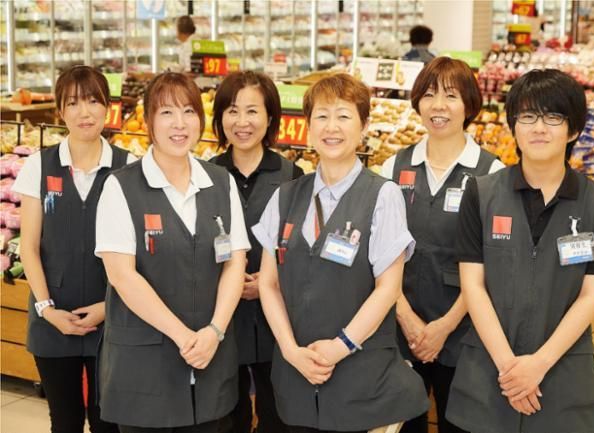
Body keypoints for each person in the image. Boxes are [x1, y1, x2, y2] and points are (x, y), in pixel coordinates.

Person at [252, 73, 428, 433]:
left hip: (363, 382)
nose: (331, 127)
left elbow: (388, 289)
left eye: (344, 116)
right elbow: (268, 284)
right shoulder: (284, 197)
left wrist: (341, 346)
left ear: (363, 126)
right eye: (321, 116)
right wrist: (289, 350)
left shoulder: (382, 196)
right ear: (308, 127)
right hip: (297, 378)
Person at [446, 69, 594, 433]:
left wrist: (538, 364)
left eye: (553, 117)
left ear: (573, 130)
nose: (539, 128)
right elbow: (473, 286)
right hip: (489, 377)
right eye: (527, 116)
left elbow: (592, 295)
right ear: (513, 125)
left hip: (562, 379)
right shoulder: (481, 194)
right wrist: (510, 369)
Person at [95, 72, 250, 433]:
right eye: (166, 112)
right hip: (145, 367)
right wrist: (184, 337)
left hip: (211, 359)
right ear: (149, 121)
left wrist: (214, 331)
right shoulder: (121, 186)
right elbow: (122, 275)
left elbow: (235, 262)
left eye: (189, 111)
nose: (180, 124)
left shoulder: (220, 182)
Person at [381, 57, 504, 433]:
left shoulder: (492, 173)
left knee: (460, 424)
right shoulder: (393, 167)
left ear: (469, 104)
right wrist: (407, 319)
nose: (438, 106)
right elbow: (380, 255)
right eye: (429, 94)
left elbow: (493, 264)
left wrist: (443, 327)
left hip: (465, 332)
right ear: (417, 101)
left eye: (451, 95)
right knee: (403, 425)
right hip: (399, 328)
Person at [12, 65, 134, 433]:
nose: (85, 112)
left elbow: (137, 255)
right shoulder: (39, 166)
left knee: (108, 422)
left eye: (94, 101)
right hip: (52, 320)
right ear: (60, 111)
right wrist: (46, 309)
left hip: (113, 320)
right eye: (74, 103)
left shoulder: (128, 168)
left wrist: (107, 307)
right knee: (63, 421)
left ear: (108, 107)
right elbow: (29, 247)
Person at [209, 71, 303, 433]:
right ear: (220, 117)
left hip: (276, 319)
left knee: (277, 414)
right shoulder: (206, 176)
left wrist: (268, 279)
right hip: (221, 319)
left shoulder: (292, 176)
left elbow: (302, 247)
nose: (242, 122)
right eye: (232, 111)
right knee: (225, 416)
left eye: (253, 111)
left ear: (270, 117)